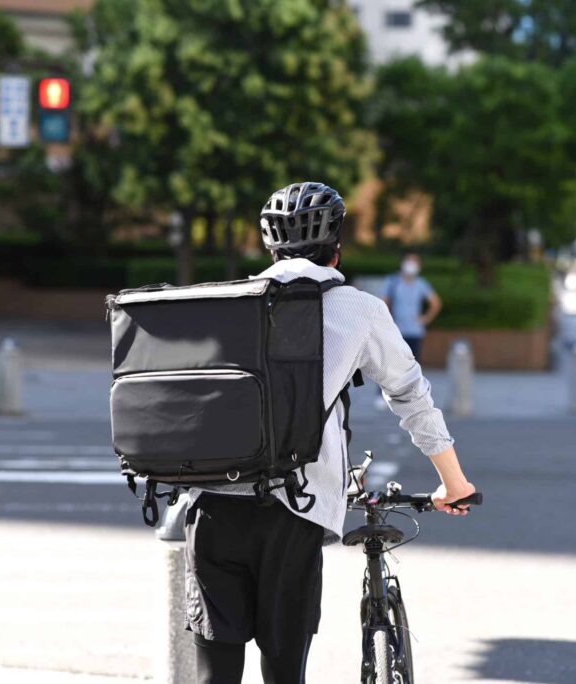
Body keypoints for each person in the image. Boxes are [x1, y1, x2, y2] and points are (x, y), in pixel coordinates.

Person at [183, 182, 475, 684]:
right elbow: (411, 395)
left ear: (269, 248)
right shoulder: (358, 309)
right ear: (336, 248)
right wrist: (454, 482)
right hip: (293, 511)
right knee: (283, 671)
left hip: (211, 505)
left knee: (215, 676)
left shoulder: (230, 300)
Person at [381, 253, 443, 361]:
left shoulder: (420, 283)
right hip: (396, 331)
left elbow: (436, 303)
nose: (411, 264)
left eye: (415, 262)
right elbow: (383, 303)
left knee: (413, 364)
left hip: (415, 331)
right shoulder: (392, 281)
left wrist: (426, 318)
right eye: (409, 261)